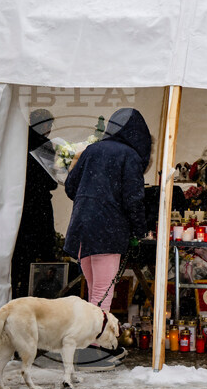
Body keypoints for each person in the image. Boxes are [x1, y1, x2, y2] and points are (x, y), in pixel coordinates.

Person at [64, 108, 152, 313]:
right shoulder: (130, 156)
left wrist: (90, 201)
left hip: (81, 229)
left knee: (93, 290)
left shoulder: (92, 150)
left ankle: (91, 338)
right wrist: (140, 230)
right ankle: (97, 341)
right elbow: (134, 199)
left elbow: (70, 187)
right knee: (102, 292)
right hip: (108, 230)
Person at [12, 109, 59, 298]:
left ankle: (13, 294)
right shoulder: (45, 145)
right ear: (46, 125)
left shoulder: (17, 141)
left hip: (18, 203)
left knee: (17, 255)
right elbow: (51, 181)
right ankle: (31, 297)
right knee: (38, 256)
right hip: (38, 206)